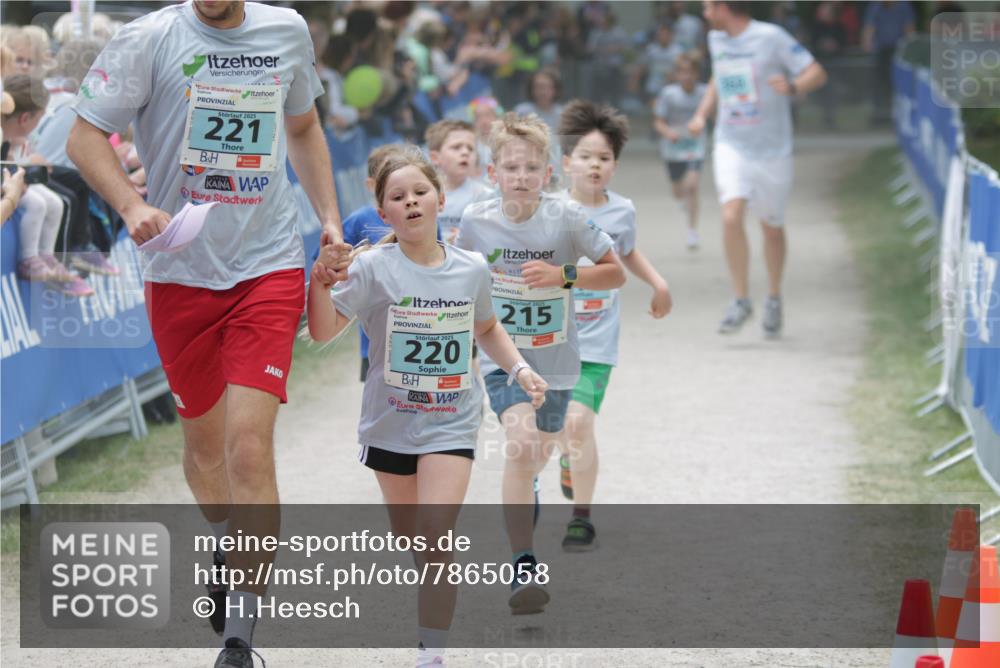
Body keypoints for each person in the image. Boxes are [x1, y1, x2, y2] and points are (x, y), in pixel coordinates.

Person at [65, 2, 348, 666]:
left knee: (248, 450)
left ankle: (240, 641)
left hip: (267, 264)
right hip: (179, 269)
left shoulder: (286, 30)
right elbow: (83, 136)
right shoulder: (148, 39)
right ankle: (227, 539)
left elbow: (303, 129)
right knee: (204, 457)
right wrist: (131, 204)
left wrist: (328, 217)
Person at [308, 146, 547, 667]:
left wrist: (519, 367)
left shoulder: (470, 268)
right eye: (398, 197)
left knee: (436, 533)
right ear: (383, 212)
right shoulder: (371, 268)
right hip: (389, 425)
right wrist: (318, 282)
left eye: (420, 193)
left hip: (452, 420)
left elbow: (485, 326)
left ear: (440, 199)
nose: (411, 202)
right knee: (411, 537)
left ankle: (431, 653)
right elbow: (322, 330)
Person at [456, 113, 625, 614]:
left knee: (535, 458)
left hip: (559, 363)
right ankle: (523, 562)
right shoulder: (476, 221)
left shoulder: (568, 217)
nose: (522, 177)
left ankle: (531, 495)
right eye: (512, 168)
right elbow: (458, 282)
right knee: (521, 443)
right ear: (494, 173)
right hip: (505, 361)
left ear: (548, 171)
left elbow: (615, 273)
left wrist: (564, 275)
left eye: (532, 168)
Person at [554, 100, 672, 550]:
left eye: (603, 158)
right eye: (585, 156)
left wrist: (658, 284)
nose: (594, 165)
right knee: (560, 429)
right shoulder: (548, 211)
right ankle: (567, 457)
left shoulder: (622, 211)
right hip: (550, 339)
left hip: (596, 341)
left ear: (615, 166)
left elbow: (627, 252)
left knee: (580, 423)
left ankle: (580, 516)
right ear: (567, 163)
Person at [688, 0, 827, 338]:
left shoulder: (771, 37)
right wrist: (702, 114)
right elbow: (718, 79)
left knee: (771, 228)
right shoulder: (716, 39)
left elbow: (816, 72)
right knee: (731, 215)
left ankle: (774, 297)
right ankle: (740, 299)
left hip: (773, 149)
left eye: (708, 8)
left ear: (724, 7)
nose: (704, 14)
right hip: (731, 143)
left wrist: (794, 87)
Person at [2, 74, 93, 297]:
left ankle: (47, 256)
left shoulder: (15, 138)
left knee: (55, 202)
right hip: (8, 187)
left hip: (12, 183)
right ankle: (29, 259)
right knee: (37, 204)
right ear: (25, 118)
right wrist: (13, 191)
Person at [653, 52, 708, 250]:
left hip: (696, 146)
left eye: (691, 72)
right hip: (673, 148)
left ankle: (692, 232)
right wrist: (668, 133)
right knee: (678, 190)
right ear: (677, 74)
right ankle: (683, 200)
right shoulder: (669, 94)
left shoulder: (705, 92)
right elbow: (658, 122)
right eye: (683, 72)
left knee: (692, 186)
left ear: (696, 74)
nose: (687, 76)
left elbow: (716, 114)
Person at [425, 118, 493, 244]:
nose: (465, 152)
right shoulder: (421, 194)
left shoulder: (484, 195)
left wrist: (470, 237)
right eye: (456, 147)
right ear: (435, 157)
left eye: (471, 148)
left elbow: (490, 237)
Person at [862, 1, 915, 126]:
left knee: (898, 83)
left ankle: (899, 114)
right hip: (881, 50)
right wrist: (867, 41)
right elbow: (869, 27)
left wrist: (910, 47)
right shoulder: (876, 6)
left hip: (898, 51)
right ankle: (879, 114)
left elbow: (909, 28)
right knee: (879, 83)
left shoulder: (904, 6)